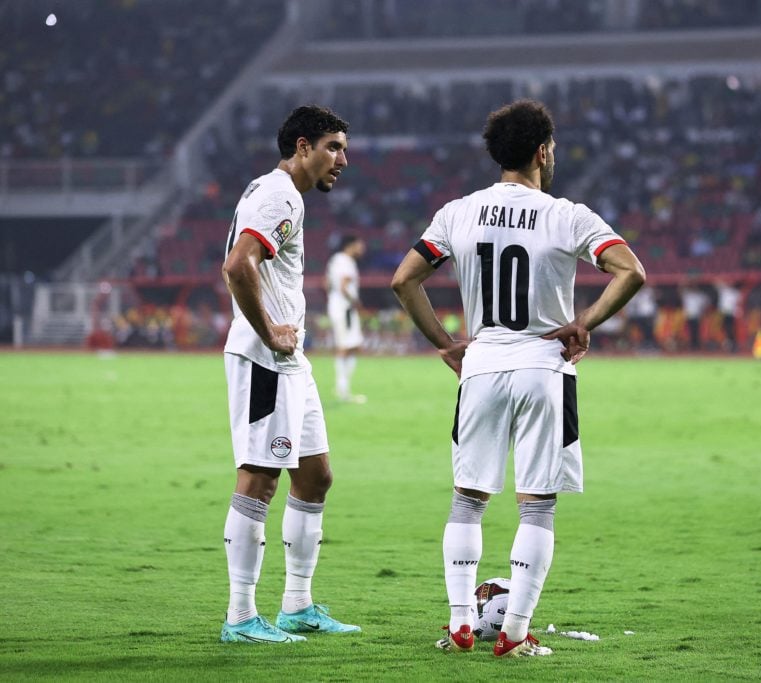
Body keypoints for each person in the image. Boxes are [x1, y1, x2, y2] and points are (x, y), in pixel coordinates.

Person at [391, 100, 646, 658]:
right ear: (542, 151)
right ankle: (513, 634)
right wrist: (584, 322)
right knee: (537, 507)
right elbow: (631, 271)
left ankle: (461, 624)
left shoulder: (458, 212)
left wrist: (444, 343)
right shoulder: (566, 215)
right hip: (543, 366)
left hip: (481, 364)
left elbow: (405, 279)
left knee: (467, 498)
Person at [219, 105, 361, 644]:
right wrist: (270, 329)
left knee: (315, 475)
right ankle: (240, 617)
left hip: (288, 363)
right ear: (302, 146)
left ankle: (297, 605)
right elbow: (237, 265)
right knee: (259, 477)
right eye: (333, 147)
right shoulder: (279, 194)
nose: (342, 159)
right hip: (265, 359)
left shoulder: (279, 194)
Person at [325, 235, 367, 403]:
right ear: (351, 245)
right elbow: (343, 286)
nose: (362, 248)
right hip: (344, 308)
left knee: (353, 345)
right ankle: (342, 390)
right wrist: (355, 302)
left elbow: (326, 283)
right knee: (344, 346)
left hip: (338, 306)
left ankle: (343, 387)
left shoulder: (335, 260)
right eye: (360, 244)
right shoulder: (345, 261)